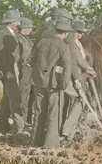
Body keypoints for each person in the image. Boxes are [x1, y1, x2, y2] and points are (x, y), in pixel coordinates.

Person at [30, 14, 74, 148]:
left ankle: (35, 142)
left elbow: (31, 60)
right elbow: (67, 66)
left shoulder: (42, 42)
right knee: (54, 114)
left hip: (39, 83)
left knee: (38, 113)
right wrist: (64, 84)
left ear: (55, 30)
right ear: (65, 33)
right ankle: (50, 144)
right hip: (54, 85)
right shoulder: (63, 47)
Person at [60, 20, 98, 141]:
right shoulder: (71, 40)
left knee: (78, 101)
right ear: (73, 31)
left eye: (82, 33)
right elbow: (75, 58)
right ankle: (67, 129)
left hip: (77, 74)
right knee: (79, 100)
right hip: (72, 76)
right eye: (78, 32)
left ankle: (71, 127)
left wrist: (87, 70)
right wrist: (87, 68)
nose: (80, 35)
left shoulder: (76, 41)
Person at [0, 9, 26, 133]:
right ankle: (20, 127)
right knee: (15, 99)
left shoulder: (11, 33)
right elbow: (0, 56)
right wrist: (7, 72)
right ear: (11, 22)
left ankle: (3, 126)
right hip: (9, 71)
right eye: (17, 21)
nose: (18, 23)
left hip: (12, 70)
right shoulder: (3, 34)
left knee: (6, 100)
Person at [16, 16, 35, 126]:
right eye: (30, 28)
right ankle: (22, 122)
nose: (31, 30)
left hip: (29, 71)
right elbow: (18, 57)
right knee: (23, 96)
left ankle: (26, 119)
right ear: (24, 28)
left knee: (28, 96)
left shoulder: (26, 39)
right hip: (24, 71)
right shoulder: (19, 39)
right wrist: (25, 63)